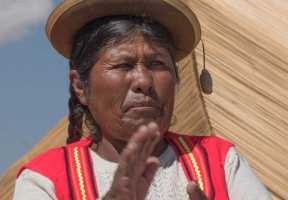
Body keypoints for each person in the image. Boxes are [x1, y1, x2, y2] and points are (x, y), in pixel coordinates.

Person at [13, 0, 272, 199]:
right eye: (123, 64)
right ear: (80, 85)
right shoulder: (45, 181)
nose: (144, 81)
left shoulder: (220, 160)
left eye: (157, 63)